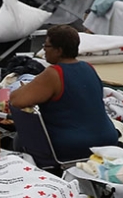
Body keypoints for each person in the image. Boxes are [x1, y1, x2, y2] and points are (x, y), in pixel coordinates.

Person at [10, 25, 117, 162]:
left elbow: (16, 100)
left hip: (76, 145)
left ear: (58, 50)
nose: (44, 50)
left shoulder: (54, 73)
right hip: (108, 138)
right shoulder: (88, 67)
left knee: (21, 137)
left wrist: (25, 89)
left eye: (46, 46)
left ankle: (43, 172)